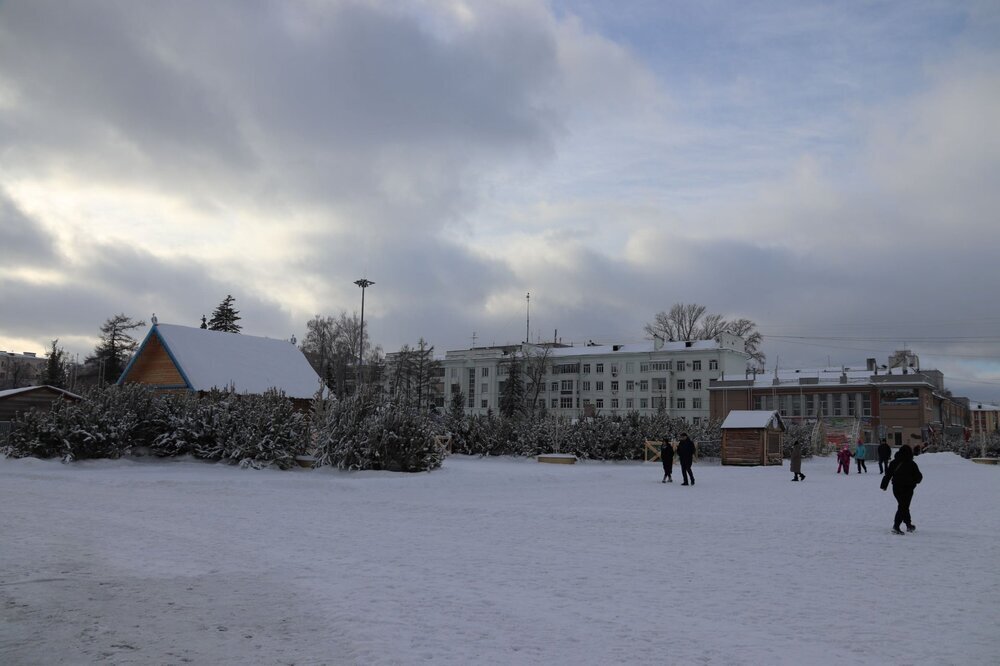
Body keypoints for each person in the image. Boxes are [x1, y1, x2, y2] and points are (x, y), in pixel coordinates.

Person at [881, 445, 922, 534]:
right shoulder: (912, 464)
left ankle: (908, 524)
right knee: (903, 506)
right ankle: (896, 526)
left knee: (903, 506)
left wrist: (884, 485)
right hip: (908, 489)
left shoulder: (893, 462)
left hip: (896, 488)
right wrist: (913, 482)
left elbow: (888, 475)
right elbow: (919, 477)